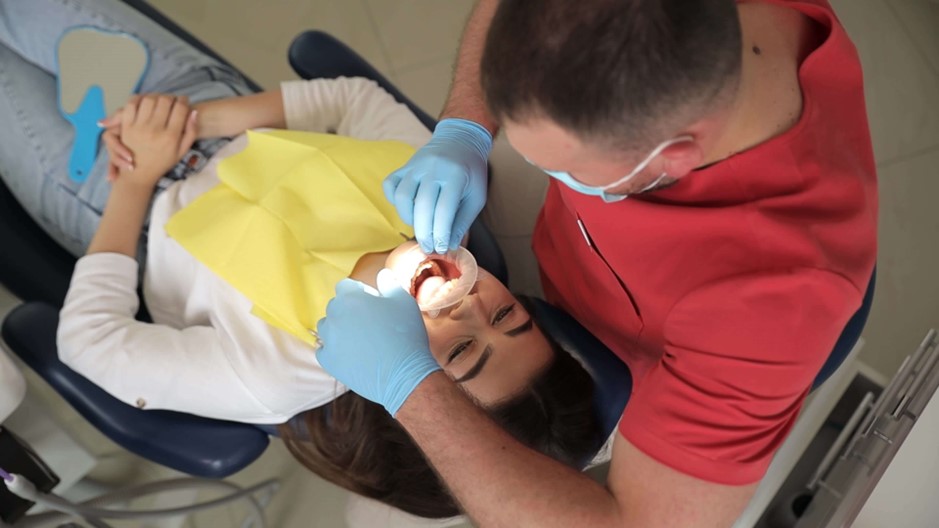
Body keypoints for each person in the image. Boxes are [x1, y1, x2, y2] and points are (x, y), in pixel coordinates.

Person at [0, 0, 604, 518]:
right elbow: (350, 99)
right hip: (196, 104)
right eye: (506, 316)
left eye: (462, 350)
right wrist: (188, 122)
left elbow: (88, 342)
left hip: (108, 190)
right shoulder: (433, 197)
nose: (468, 306)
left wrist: (139, 176)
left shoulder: (272, 374)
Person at [315, 0, 879, 526]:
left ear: (674, 157)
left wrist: (409, 387)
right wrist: (466, 127)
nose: (545, 173)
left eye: (564, 168)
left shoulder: (772, 301)